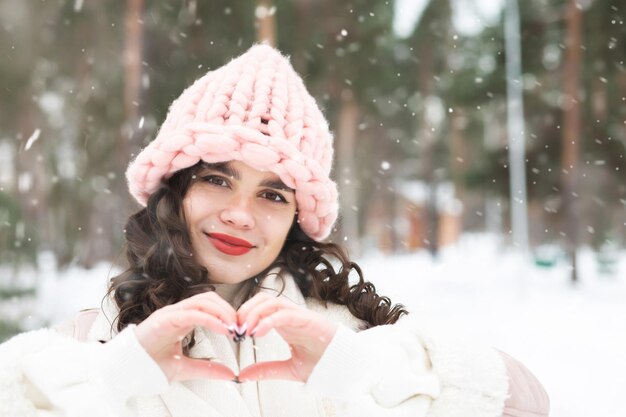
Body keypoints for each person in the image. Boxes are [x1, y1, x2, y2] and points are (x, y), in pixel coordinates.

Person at [0, 44, 549, 417]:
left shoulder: (346, 333)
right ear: (175, 192)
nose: (241, 214)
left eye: (272, 194)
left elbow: (527, 402)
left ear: (296, 219)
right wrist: (111, 382)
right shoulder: (92, 342)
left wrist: (373, 373)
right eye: (217, 179)